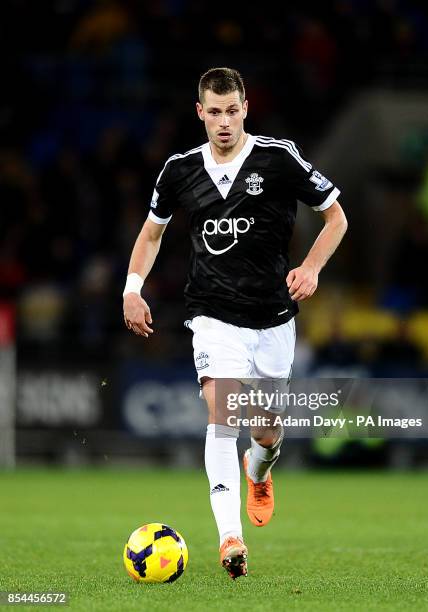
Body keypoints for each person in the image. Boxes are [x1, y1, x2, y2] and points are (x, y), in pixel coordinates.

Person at [123, 67, 347, 579]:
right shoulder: (179, 170)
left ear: (245, 108)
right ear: (200, 113)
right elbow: (151, 235)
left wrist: (310, 268)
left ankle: (259, 472)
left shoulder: (278, 157)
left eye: (232, 111)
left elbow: (337, 218)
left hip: (272, 318)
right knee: (222, 414)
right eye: (214, 112)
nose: (224, 122)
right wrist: (131, 291)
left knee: (266, 432)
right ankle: (230, 538)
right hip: (212, 314)